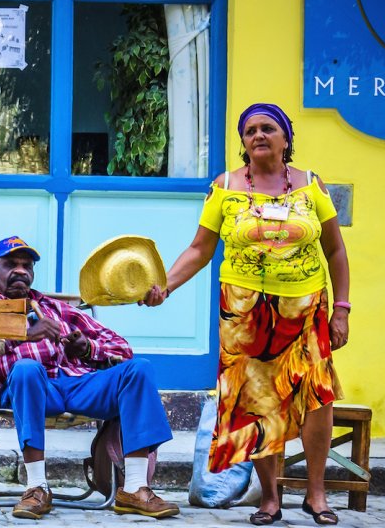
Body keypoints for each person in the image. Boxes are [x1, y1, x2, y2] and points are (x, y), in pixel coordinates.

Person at [140, 103, 350, 526]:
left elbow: (335, 251)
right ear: (243, 142)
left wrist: (341, 309)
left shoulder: (312, 186)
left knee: (318, 396)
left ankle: (316, 494)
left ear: (286, 138)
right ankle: (269, 498)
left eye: (268, 128)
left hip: (306, 307)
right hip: (244, 312)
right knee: (255, 402)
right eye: (250, 129)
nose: (258, 135)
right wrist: (166, 286)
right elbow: (200, 249)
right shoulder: (225, 186)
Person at [0, 236, 179, 520]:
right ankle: (37, 487)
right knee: (27, 368)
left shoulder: (55, 308)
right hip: (27, 389)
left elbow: (121, 348)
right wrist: (25, 334)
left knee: (139, 369)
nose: (21, 270)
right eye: (11, 264)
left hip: (76, 385)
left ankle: (135, 488)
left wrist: (87, 348)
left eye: (27, 265)